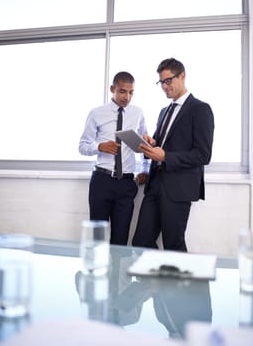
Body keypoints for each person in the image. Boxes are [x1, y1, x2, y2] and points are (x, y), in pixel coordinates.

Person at [132, 58, 214, 251]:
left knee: (173, 244)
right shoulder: (164, 111)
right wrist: (149, 144)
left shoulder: (200, 109)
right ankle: (152, 281)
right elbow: (161, 144)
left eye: (168, 81)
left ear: (182, 76)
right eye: (161, 82)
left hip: (179, 188)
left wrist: (166, 157)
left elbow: (203, 155)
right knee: (140, 241)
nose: (164, 86)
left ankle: (178, 282)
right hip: (155, 185)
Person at [79, 71, 148, 245]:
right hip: (102, 181)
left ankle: (116, 272)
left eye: (131, 92)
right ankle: (97, 271)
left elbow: (146, 145)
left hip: (126, 184)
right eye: (123, 91)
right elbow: (83, 146)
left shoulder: (137, 113)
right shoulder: (96, 113)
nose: (127, 97)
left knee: (120, 239)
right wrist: (99, 146)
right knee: (97, 238)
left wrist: (145, 170)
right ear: (113, 89)